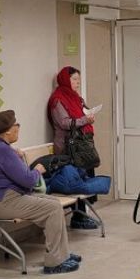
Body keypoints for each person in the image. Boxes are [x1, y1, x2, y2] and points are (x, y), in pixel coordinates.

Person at [0, 109, 80, 274]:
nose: (18, 127)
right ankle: (54, 263)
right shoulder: (2, 151)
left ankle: (62, 254)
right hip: (1, 202)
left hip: (1, 199)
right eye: (16, 124)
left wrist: (18, 157)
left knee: (53, 203)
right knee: (52, 208)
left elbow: (18, 176)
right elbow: (29, 181)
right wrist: (38, 170)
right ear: (8, 131)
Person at [47, 66, 99, 230]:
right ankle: (78, 217)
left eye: (78, 79)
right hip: (68, 148)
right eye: (74, 79)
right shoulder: (58, 99)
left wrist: (89, 115)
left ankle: (81, 215)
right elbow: (64, 123)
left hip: (81, 145)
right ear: (65, 80)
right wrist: (84, 120)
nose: (77, 83)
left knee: (84, 178)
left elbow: (82, 113)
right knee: (75, 180)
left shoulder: (76, 98)